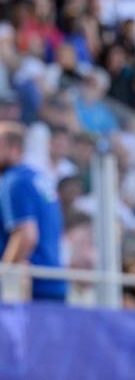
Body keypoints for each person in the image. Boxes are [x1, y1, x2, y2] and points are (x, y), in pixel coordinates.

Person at [0, 121, 66, 301]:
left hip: (33, 289)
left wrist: (3, 273)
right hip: (55, 282)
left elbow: (26, 236)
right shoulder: (39, 179)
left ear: (13, 148)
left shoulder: (14, 181)